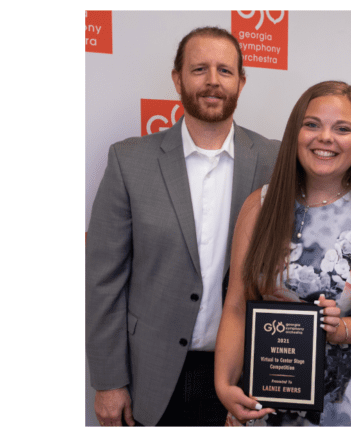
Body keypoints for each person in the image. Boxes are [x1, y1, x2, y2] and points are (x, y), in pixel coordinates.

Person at [86, 26, 279, 426]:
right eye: (199, 69)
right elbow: (103, 279)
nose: (213, 81)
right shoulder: (130, 161)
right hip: (151, 378)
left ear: (241, 82)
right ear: (177, 79)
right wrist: (107, 381)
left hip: (247, 378)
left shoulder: (275, 162)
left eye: (225, 71)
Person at [214, 80, 351, 426]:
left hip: (344, 406)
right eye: (312, 124)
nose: (325, 137)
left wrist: (345, 330)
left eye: (342, 128)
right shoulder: (259, 207)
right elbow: (236, 305)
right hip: (266, 399)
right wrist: (224, 384)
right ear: (295, 132)